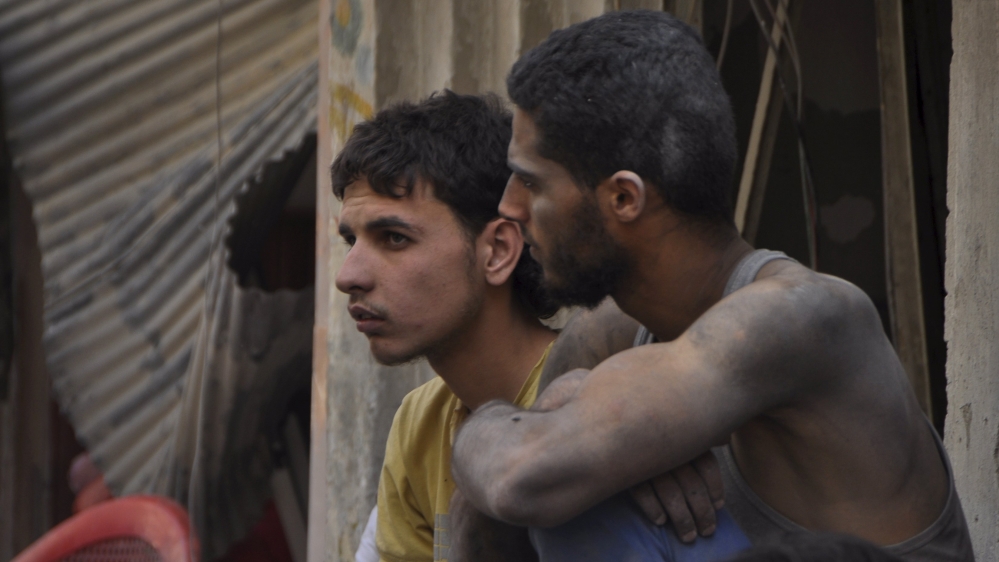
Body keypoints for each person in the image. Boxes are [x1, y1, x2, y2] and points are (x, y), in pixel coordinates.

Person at [450, 10, 973, 562]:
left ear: (624, 198)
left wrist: (520, 430)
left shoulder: (804, 317)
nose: (508, 207)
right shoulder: (605, 338)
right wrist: (518, 423)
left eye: (530, 181)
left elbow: (518, 475)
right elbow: (489, 518)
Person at [331, 91, 734, 562]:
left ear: (498, 251)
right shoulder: (419, 422)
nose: (348, 276)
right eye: (351, 240)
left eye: (394, 238)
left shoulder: (608, 402)